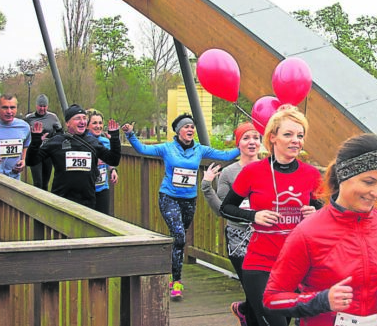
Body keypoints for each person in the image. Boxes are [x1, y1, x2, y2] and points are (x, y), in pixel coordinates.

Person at [263, 133, 377, 326]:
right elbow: (272, 299)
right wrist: (321, 301)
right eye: (369, 182)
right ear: (344, 176)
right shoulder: (308, 232)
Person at [220, 104, 323, 326]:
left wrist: (315, 213)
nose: (296, 140)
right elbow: (226, 208)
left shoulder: (311, 175)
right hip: (260, 263)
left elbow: (326, 214)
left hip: (296, 265)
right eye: (289, 134)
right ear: (273, 138)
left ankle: (246, 314)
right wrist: (253, 216)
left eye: (300, 135)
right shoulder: (252, 172)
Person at [121, 113, 240, 300]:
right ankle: (176, 281)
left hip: (189, 200)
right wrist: (130, 134)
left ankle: (172, 268)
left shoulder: (199, 150)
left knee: (179, 239)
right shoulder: (167, 148)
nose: (191, 129)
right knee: (179, 235)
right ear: (178, 131)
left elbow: (225, 155)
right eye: (186, 126)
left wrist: (244, 146)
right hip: (168, 196)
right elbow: (143, 149)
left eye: (192, 126)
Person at [201, 122, 261, 326]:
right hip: (238, 238)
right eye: (246, 138)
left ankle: (243, 310)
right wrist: (207, 186)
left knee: (260, 290)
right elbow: (222, 210)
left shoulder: (270, 168)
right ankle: (247, 314)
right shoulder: (229, 173)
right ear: (239, 144)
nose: (252, 142)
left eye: (256, 138)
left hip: (265, 237)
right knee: (253, 289)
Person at [25, 104, 121, 209]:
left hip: (87, 202)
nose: (82, 121)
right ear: (67, 123)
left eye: (84, 118)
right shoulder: (57, 142)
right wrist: (35, 141)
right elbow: (31, 161)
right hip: (61, 201)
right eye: (77, 118)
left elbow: (113, 160)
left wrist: (115, 138)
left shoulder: (93, 142)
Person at [24, 94, 62, 190]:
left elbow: (60, 133)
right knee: (38, 183)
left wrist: (53, 140)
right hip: (35, 152)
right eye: (40, 106)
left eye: (44, 106)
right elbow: (23, 134)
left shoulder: (53, 117)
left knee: (45, 183)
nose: (42, 109)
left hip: (47, 153)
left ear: (47, 106)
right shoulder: (29, 118)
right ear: (36, 106)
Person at [86, 108, 118, 215]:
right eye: (94, 123)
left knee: (103, 219)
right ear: (87, 125)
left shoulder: (105, 141)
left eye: (100, 123)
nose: (98, 126)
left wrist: (113, 170)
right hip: (87, 189)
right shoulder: (83, 141)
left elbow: (110, 160)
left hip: (102, 186)